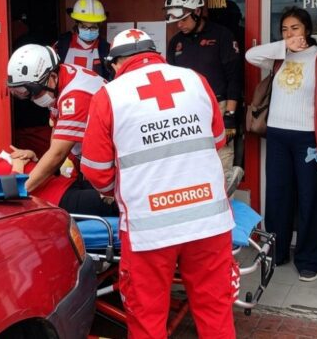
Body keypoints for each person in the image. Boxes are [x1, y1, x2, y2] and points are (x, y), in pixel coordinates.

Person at [81, 29, 236, 339]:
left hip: (148, 229)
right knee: (215, 311)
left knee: (147, 318)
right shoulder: (195, 80)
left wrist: (118, 190)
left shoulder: (110, 95)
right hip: (208, 220)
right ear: (155, 53)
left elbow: (96, 170)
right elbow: (218, 140)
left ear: (116, 63)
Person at [245, 7, 317, 281]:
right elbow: (250, 55)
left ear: (307, 30)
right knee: (277, 197)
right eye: (285, 29)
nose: (290, 34)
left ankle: (311, 258)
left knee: (310, 198)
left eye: (295, 28)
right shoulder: (277, 58)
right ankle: (276, 252)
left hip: (307, 138)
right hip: (277, 135)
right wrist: (283, 46)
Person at [6, 44, 117, 216]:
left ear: (52, 77)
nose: (32, 98)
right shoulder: (62, 79)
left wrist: (18, 191)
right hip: (102, 158)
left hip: (113, 160)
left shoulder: (75, 96)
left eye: (33, 91)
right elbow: (57, 130)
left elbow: (58, 153)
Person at [164, 0, 242, 174]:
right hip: (186, 108)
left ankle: (223, 201)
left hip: (218, 104)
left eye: (183, 19)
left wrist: (230, 116)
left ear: (197, 12)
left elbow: (234, 77)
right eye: (176, 20)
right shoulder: (176, 42)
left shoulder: (221, 35)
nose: (179, 24)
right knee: (190, 162)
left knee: (221, 161)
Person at [54, 0, 113, 80]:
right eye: (84, 27)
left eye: (93, 27)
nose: (88, 31)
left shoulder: (106, 49)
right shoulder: (62, 44)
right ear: (77, 25)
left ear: (99, 26)